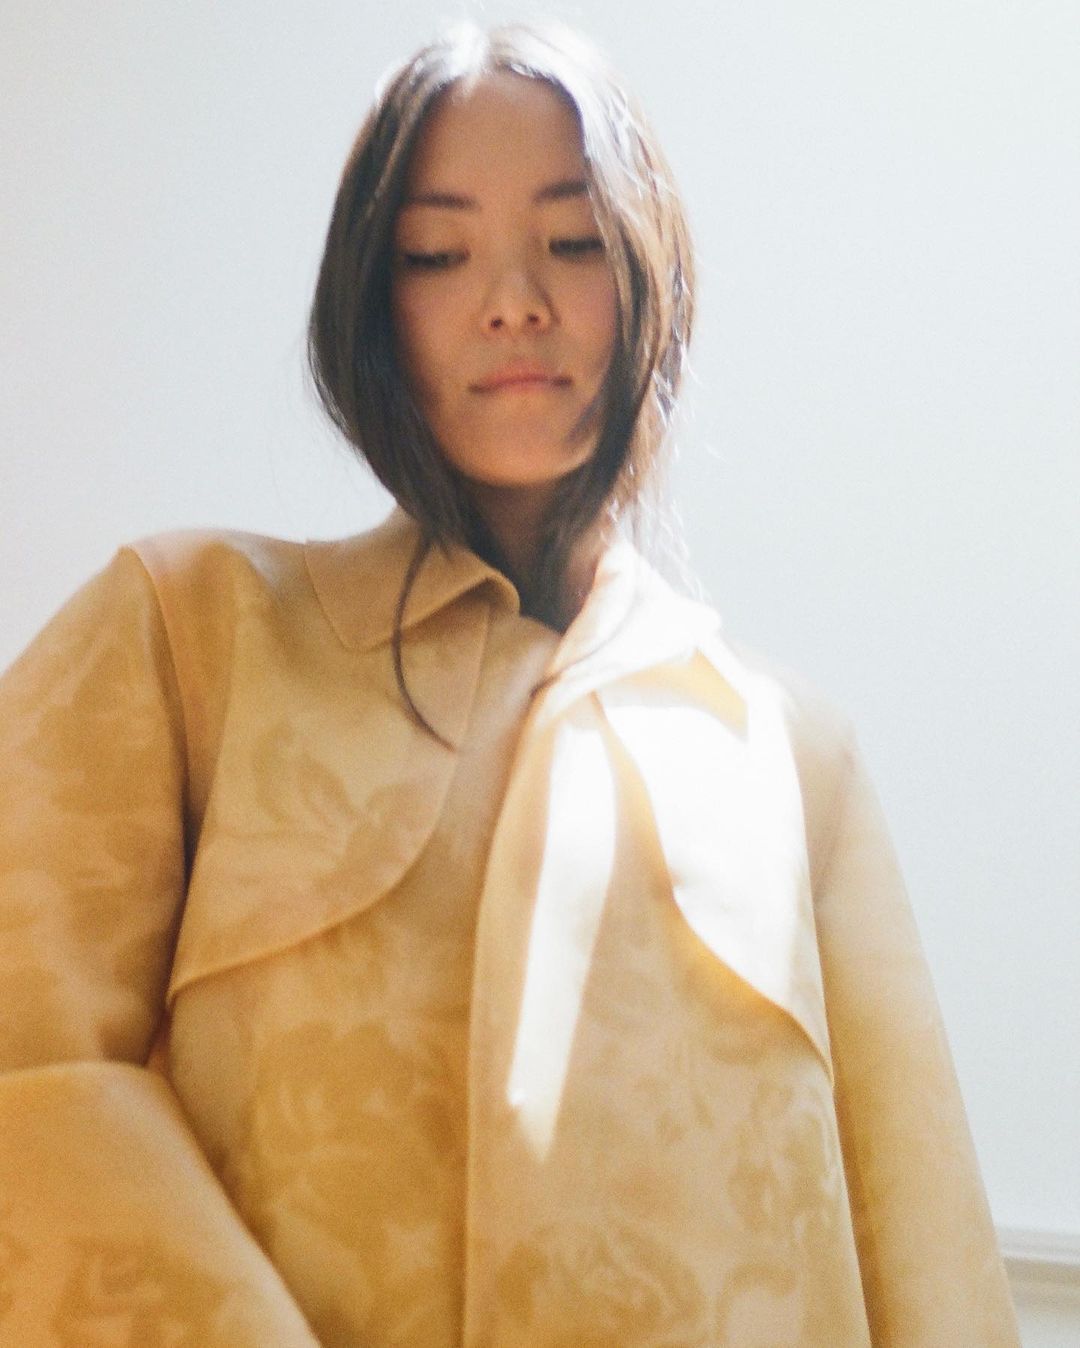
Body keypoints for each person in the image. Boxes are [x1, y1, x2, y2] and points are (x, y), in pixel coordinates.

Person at [0, 21, 1019, 1348]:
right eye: (438, 253)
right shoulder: (187, 637)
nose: (514, 300)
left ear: (647, 273)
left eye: (575, 241)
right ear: (373, 301)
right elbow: (29, 1080)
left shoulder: (790, 758)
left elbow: (931, 1268)